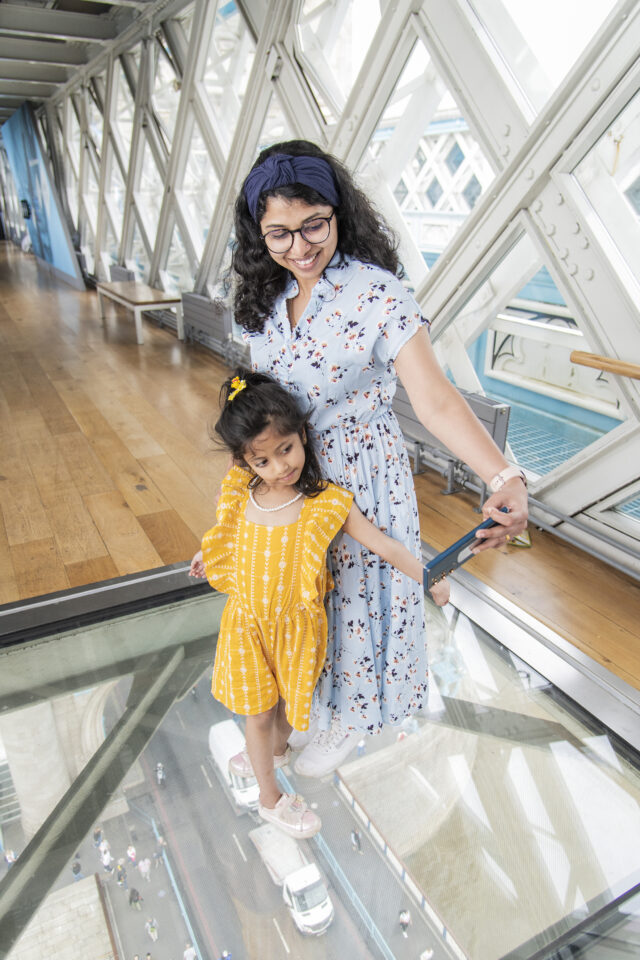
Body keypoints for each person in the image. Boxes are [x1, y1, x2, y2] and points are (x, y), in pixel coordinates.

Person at [229, 140, 528, 775]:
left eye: (314, 224)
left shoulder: (378, 293)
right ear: (259, 233)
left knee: (357, 596)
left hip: (362, 476)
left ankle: (354, 715)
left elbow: (435, 399)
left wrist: (501, 474)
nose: (300, 246)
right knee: (307, 598)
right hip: (291, 474)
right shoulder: (263, 301)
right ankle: (323, 706)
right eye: (279, 233)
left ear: (338, 212)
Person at [190, 372, 449, 838]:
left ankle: (271, 753)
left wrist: (430, 576)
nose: (279, 467)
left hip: (297, 631)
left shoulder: (325, 503)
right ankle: (271, 799)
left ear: (302, 435)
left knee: (291, 703)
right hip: (247, 626)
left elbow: (384, 546)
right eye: (263, 460)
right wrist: (205, 555)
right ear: (245, 460)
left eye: (286, 449)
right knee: (259, 712)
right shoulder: (239, 491)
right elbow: (227, 535)